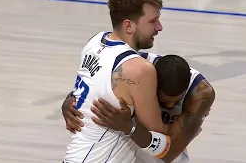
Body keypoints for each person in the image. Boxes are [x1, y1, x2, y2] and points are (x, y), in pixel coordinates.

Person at [62, 0, 172, 162]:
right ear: (128, 25)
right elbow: (158, 143)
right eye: (152, 21)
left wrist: (68, 99)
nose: (159, 27)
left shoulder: (96, 41)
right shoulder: (138, 69)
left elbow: (92, 86)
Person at [62, 52, 215, 163]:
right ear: (151, 83)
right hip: (125, 148)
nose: (169, 106)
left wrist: (130, 127)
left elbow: (170, 153)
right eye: (163, 100)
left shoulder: (200, 94)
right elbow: (96, 83)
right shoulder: (134, 68)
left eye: (176, 102)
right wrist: (71, 100)